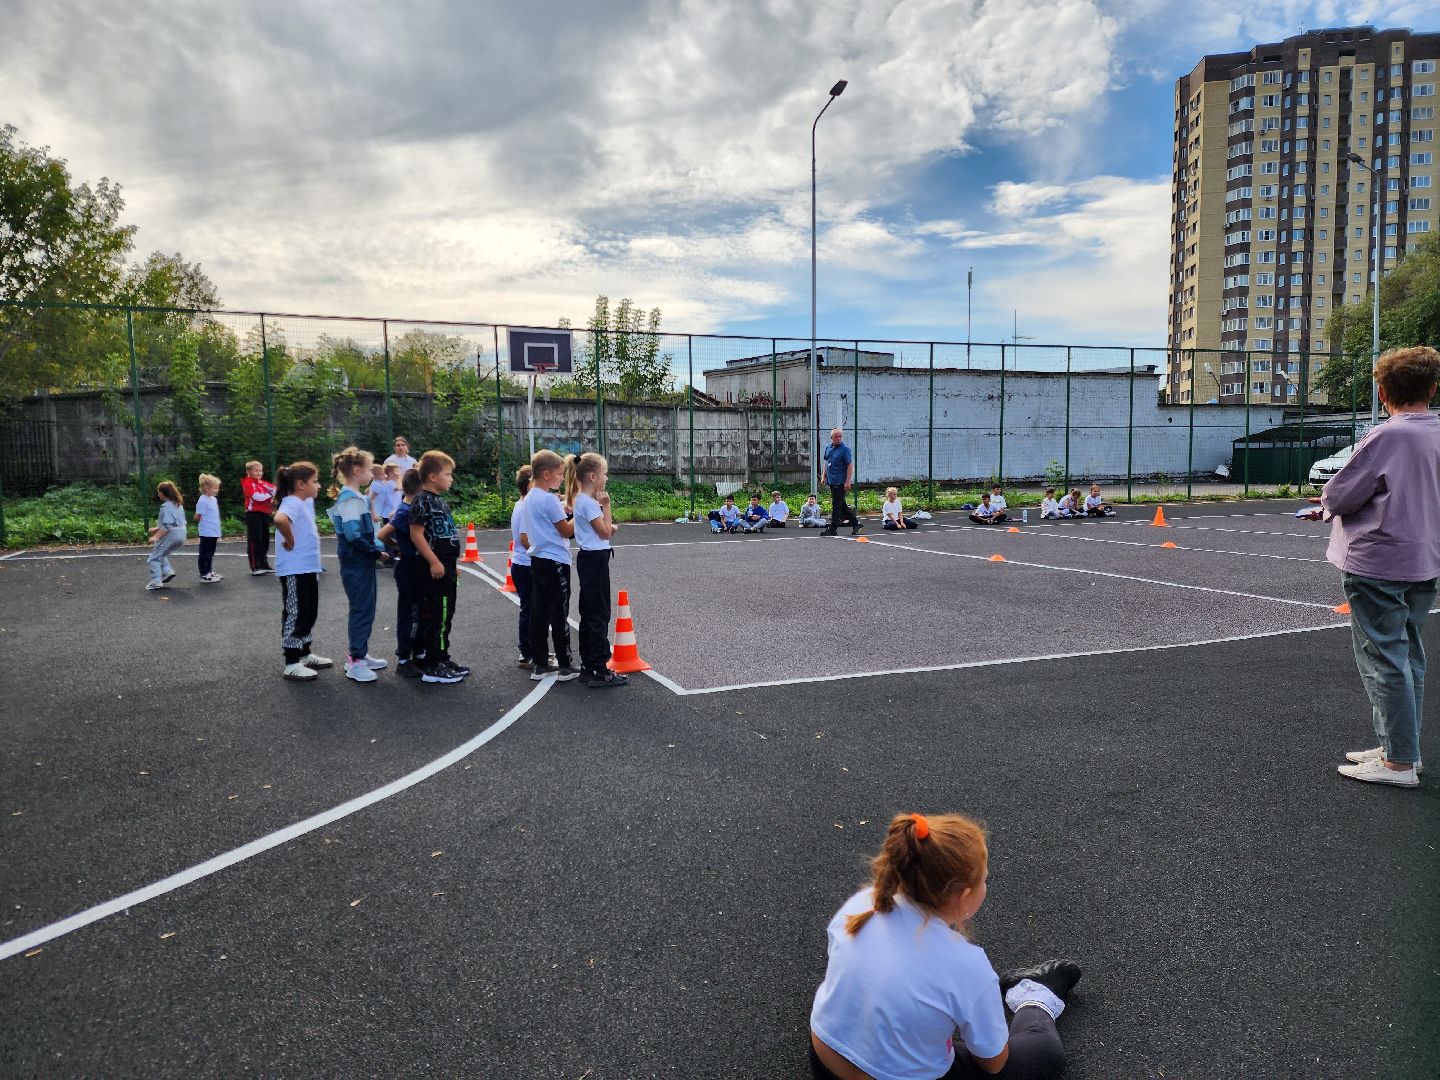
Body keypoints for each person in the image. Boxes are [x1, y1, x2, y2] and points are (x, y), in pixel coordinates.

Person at [810, 812, 1080, 1080]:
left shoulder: (863, 905)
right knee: (1045, 1054)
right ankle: (1034, 994)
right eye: (984, 879)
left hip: (825, 1062)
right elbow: (993, 1064)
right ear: (964, 896)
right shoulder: (966, 965)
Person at [1320, 346, 1440, 788]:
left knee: (1383, 658)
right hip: (1425, 559)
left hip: (1380, 560)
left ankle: (1399, 762)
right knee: (1409, 655)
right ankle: (1401, 747)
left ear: (1384, 391)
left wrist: (1329, 506)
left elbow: (1340, 494)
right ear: (1432, 387)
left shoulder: (1388, 436)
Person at [328, 447, 390, 684]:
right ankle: (355, 661)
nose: (371, 474)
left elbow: (358, 531)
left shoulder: (354, 497)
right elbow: (353, 535)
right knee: (361, 609)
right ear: (356, 471)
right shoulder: (351, 498)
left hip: (359, 562)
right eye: (367, 469)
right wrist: (376, 551)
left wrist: (379, 546)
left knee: (366, 607)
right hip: (356, 562)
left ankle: (359, 653)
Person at [566, 452, 627, 689]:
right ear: (593, 476)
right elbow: (604, 532)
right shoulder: (589, 503)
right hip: (595, 560)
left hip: (591, 559)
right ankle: (598, 669)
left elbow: (603, 529)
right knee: (598, 613)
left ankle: (589, 666)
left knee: (592, 611)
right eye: (605, 474)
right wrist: (607, 506)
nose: (607, 478)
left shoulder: (582, 501)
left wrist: (605, 520)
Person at [409, 450, 469, 685]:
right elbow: (416, 534)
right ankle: (433, 664)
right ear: (433, 477)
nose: (451, 478)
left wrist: (452, 565)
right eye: (448, 474)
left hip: (447, 567)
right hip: (434, 570)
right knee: (438, 615)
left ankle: (442, 658)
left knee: (446, 614)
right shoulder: (422, 500)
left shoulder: (439, 501)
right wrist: (434, 561)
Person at [523, 449, 581, 682]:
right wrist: (580, 510)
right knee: (559, 612)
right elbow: (566, 530)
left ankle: (540, 663)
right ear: (546, 474)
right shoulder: (548, 500)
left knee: (539, 612)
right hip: (555, 560)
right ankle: (565, 664)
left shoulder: (530, 497)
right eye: (559, 474)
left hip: (537, 560)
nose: (561, 478)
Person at [272, 462, 331, 680]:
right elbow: (279, 519)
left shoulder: (304, 501)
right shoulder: (292, 502)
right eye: (314, 481)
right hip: (295, 569)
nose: (318, 485)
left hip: (307, 568)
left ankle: (305, 654)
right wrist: (290, 539)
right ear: (300, 484)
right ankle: (291, 662)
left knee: (308, 612)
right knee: (296, 613)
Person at [378, 468, 424, 677]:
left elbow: (384, 534)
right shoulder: (406, 511)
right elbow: (382, 534)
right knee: (409, 612)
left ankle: (418, 651)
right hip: (409, 567)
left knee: (418, 610)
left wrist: (397, 546)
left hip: (412, 565)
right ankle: (404, 658)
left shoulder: (406, 508)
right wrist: (400, 547)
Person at [510, 465, 538, 668]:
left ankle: (530, 650)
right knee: (530, 609)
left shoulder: (521, 504)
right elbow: (525, 539)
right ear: (530, 486)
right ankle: (527, 652)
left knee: (530, 608)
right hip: (527, 565)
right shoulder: (524, 507)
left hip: (522, 564)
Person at [146, 481, 186, 591]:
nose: (158, 495)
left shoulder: (165, 507)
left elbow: (167, 526)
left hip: (172, 535)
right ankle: (167, 572)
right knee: (162, 554)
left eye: (158, 493)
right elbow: (176, 522)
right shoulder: (178, 504)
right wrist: (157, 529)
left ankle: (156, 582)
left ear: (163, 493)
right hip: (182, 534)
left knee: (154, 558)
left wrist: (156, 537)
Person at [821, 428, 861, 536]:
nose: (838, 439)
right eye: (836, 437)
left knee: (836, 505)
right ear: (831, 438)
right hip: (832, 481)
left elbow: (850, 465)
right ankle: (855, 523)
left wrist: (847, 481)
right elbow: (826, 462)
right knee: (841, 504)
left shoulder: (845, 449)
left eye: (840, 436)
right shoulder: (828, 448)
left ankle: (832, 529)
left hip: (840, 482)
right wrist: (823, 476)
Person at [241, 460, 276, 575]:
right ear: (248, 471)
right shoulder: (247, 482)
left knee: (265, 539)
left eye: (260, 470)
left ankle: (264, 564)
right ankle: (255, 566)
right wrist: (269, 496)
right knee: (255, 539)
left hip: (264, 513)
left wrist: (273, 494)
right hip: (253, 514)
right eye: (256, 471)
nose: (259, 473)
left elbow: (275, 490)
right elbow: (257, 497)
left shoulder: (263, 483)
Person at [194, 473, 223, 583]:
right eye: (215, 488)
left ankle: (209, 571)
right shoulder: (203, 500)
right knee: (205, 553)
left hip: (213, 531)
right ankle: (204, 573)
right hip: (206, 532)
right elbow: (197, 516)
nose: (217, 490)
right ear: (206, 488)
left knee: (210, 553)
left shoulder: (213, 499)